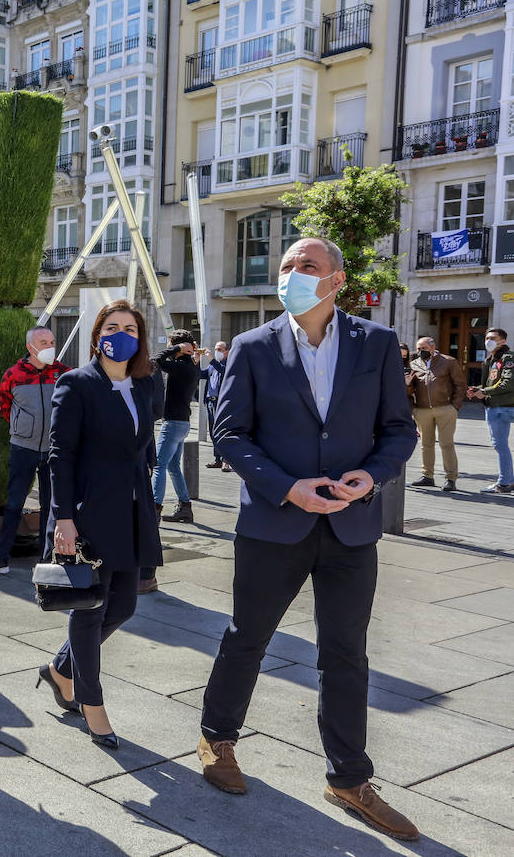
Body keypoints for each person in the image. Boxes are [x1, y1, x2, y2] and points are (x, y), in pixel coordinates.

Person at [197, 237, 419, 842]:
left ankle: (350, 777)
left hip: (350, 526)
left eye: (309, 266)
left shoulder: (375, 344)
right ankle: (218, 740)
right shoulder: (251, 346)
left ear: (337, 281)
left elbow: (399, 430)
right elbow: (230, 434)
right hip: (274, 522)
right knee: (248, 637)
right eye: (289, 265)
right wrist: (288, 487)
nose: (294, 273)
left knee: (345, 652)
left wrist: (370, 476)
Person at [34, 299, 162, 749]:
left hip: (132, 511)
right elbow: (60, 456)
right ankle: (92, 704)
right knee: (88, 608)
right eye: (113, 326)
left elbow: (143, 445)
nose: (121, 333)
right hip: (88, 512)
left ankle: (61, 669)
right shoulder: (77, 384)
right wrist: (62, 518)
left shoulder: (146, 385)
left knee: (123, 606)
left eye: (130, 327)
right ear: (97, 334)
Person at [0, 327, 70, 577]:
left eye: (52, 341)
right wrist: (23, 428)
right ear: (31, 347)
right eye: (44, 341)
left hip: (55, 449)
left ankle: (47, 557)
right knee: (14, 504)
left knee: (51, 505)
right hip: (23, 448)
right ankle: (0, 558)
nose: (50, 345)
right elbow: (4, 406)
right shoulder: (14, 374)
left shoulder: (64, 374)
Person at [152, 330, 202, 525]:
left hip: (173, 423)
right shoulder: (191, 365)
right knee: (172, 466)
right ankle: (185, 507)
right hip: (183, 423)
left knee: (159, 466)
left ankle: (155, 510)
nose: (168, 348)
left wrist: (177, 349)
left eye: (171, 344)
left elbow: (155, 360)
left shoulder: (182, 366)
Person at [407, 336, 464, 492]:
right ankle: (427, 476)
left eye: (423, 349)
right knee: (426, 444)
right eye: (418, 349)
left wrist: (455, 406)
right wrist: (413, 407)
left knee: (446, 444)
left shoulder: (448, 361)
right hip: (422, 410)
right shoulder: (414, 363)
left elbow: (460, 385)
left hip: (445, 409)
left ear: (433, 347)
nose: (420, 352)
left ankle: (451, 478)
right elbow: (410, 388)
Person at [470, 328, 513, 493]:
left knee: (500, 446)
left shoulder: (508, 358)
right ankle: (508, 480)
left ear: (502, 340)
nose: (488, 341)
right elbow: (490, 383)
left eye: (493, 338)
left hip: (503, 407)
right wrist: (477, 389)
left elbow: (508, 383)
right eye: (487, 337)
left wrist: (485, 392)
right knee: (500, 446)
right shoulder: (491, 359)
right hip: (495, 406)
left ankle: (504, 483)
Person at [204, 341, 231, 472]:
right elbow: (201, 375)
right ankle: (217, 459)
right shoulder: (212, 366)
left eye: (220, 349)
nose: (217, 351)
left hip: (222, 403)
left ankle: (227, 460)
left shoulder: (228, 364)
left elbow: (224, 372)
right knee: (213, 432)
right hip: (210, 402)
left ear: (227, 351)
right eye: (215, 349)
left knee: (223, 432)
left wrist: (211, 359)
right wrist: (194, 361)